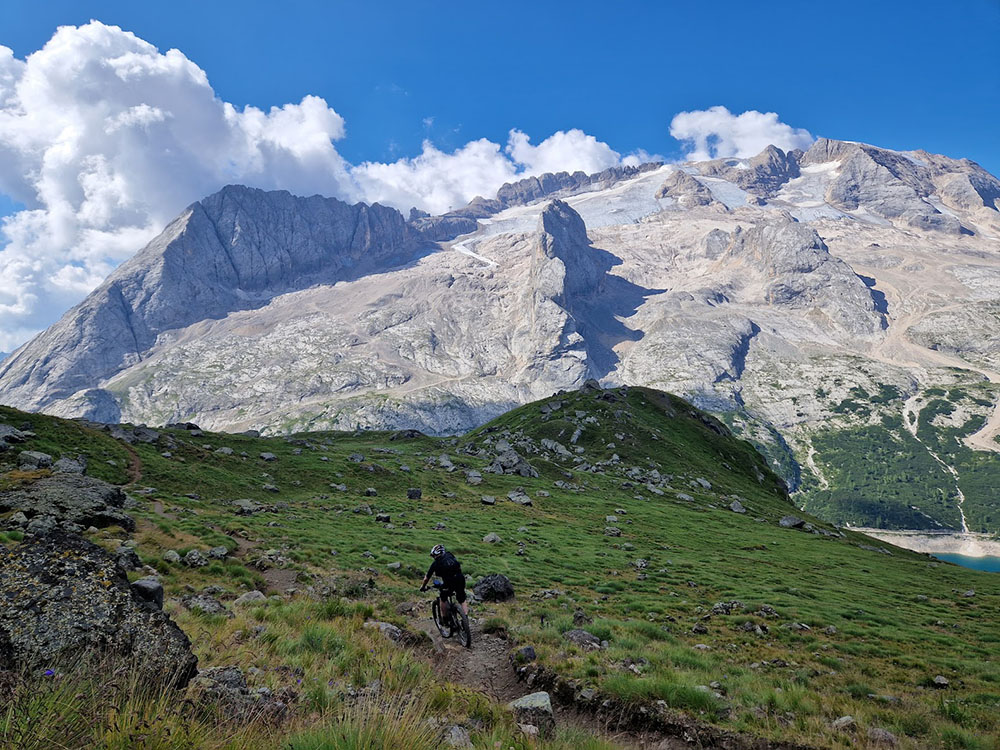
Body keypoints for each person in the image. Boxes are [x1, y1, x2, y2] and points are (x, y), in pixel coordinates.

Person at [420, 544, 468, 620]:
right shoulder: (450, 555)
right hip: (460, 578)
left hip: (449, 582)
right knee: (462, 598)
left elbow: (426, 579)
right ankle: (465, 618)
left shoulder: (435, 564)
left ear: (435, 555)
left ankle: (445, 618)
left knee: (443, 598)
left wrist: (423, 587)